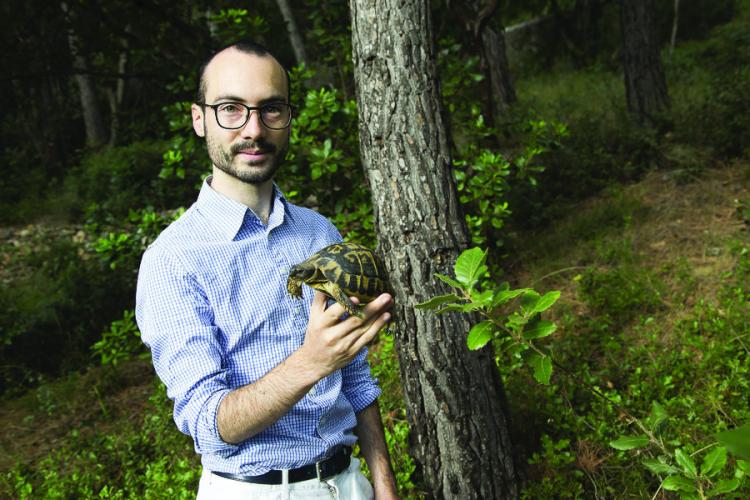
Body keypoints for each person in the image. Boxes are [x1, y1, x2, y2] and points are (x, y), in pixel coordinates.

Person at [135, 41, 399, 499]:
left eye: (271, 109)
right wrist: (311, 362)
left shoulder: (319, 232)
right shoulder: (173, 260)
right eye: (231, 109)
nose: (254, 129)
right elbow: (210, 424)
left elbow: (356, 378)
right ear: (199, 119)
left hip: (348, 483)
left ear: (289, 118)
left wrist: (384, 484)